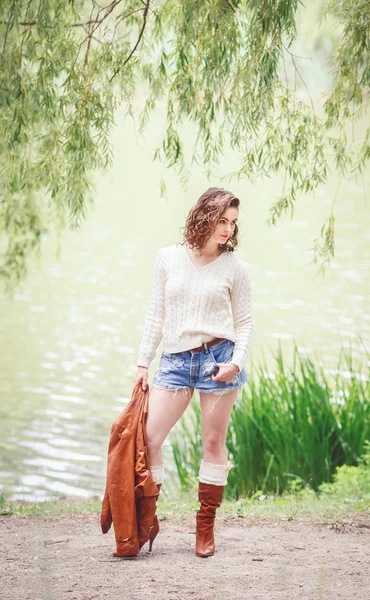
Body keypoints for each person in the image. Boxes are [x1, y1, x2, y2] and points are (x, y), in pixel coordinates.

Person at [133, 186, 253, 557]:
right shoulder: (168, 258)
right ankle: (147, 519)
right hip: (174, 360)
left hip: (219, 359)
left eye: (232, 223)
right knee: (150, 439)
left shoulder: (236, 268)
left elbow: (245, 322)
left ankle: (205, 529)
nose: (227, 230)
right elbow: (156, 313)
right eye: (221, 221)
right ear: (203, 216)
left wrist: (237, 361)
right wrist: (143, 362)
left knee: (214, 443)